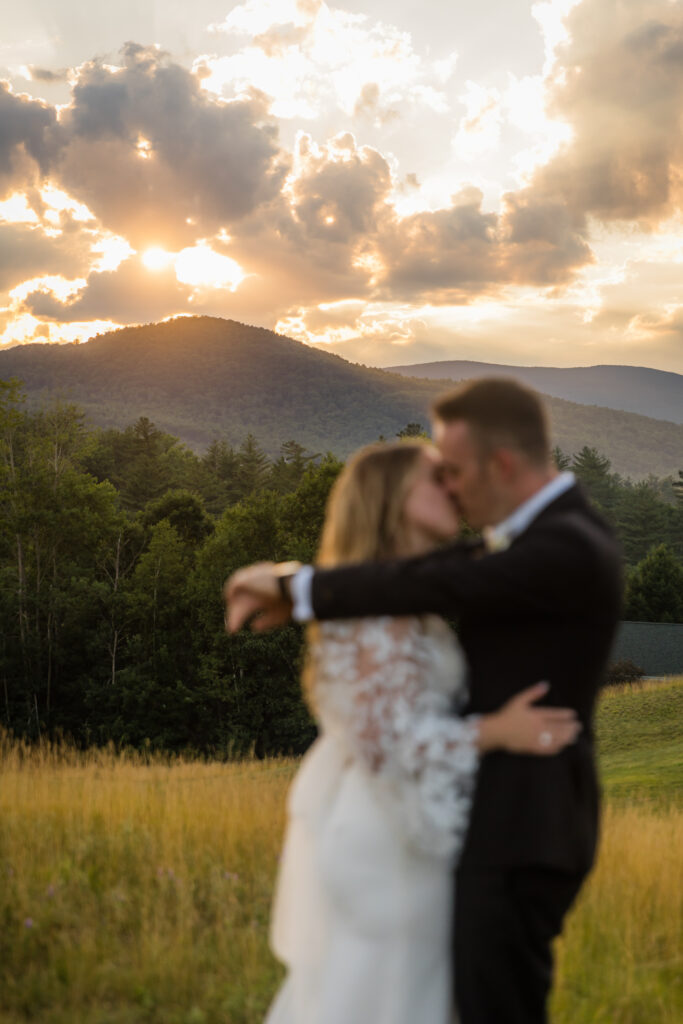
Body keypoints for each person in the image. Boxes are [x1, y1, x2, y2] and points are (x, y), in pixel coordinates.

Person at [225, 378, 624, 1024]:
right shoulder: (524, 545)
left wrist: (293, 584)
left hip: (520, 830)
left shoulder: (564, 545)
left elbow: (446, 577)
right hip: (415, 835)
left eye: (454, 472)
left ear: (499, 464)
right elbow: (427, 587)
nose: (452, 487)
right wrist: (489, 732)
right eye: (435, 477)